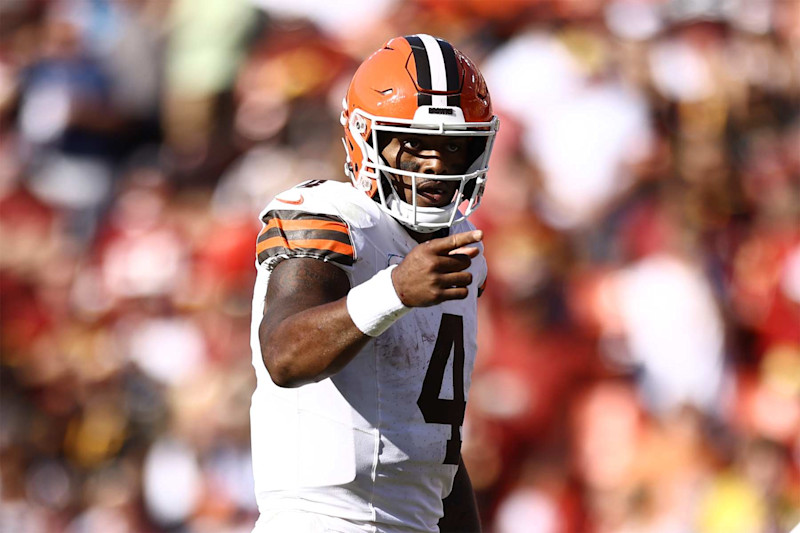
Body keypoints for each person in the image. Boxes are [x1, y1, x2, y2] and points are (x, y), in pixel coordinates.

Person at [249, 34, 499, 533]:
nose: (436, 163)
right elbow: (285, 355)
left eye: (454, 145)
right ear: (365, 138)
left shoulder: (464, 247)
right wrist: (394, 292)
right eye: (415, 143)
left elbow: (433, 453)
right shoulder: (331, 216)